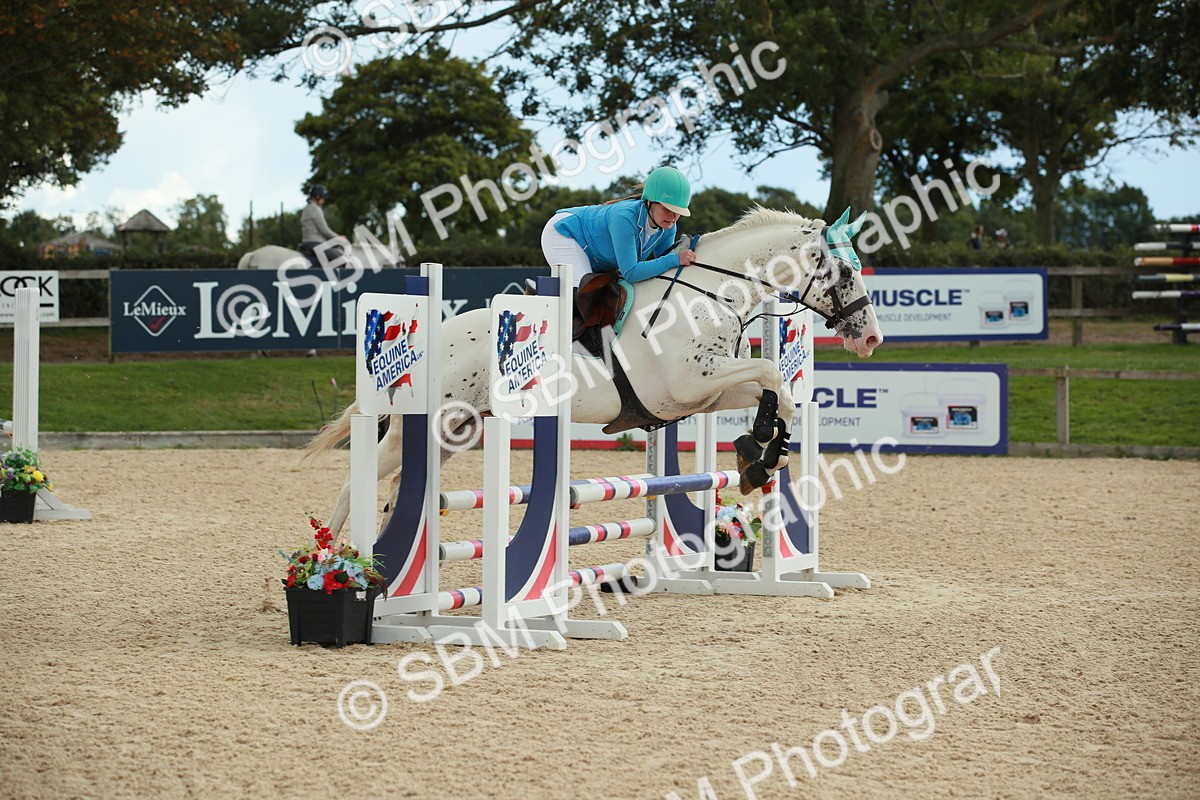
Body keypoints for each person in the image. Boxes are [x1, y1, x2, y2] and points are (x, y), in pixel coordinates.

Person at [541, 166, 696, 288]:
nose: (673, 216)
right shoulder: (624, 218)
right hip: (564, 233)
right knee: (583, 292)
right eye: (667, 209)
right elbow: (631, 273)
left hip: (593, 252)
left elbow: (664, 269)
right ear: (649, 202)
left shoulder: (668, 227)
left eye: (677, 211)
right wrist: (676, 258)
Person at [299, 184, 345, 268]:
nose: (324, 200)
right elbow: (324, 230)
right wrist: (339, 238)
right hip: (316, 243)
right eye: (323, 198)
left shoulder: (306, 209)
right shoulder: (315, 209)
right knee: (342, 260)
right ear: (317, 196)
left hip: (305, 242)